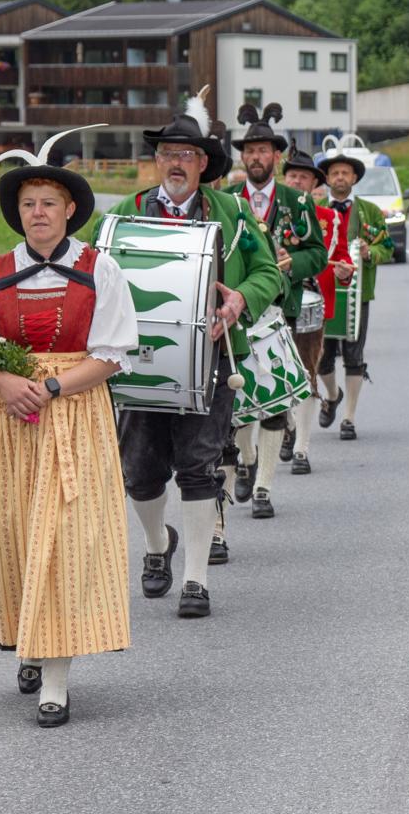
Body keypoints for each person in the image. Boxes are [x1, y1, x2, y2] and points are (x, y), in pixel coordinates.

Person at [0, 149, 139, 727]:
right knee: (1, 523)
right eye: (28, 204)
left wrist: (53, 386)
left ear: (69, 212)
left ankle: (55, 681)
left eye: (49, 204)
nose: (38, 213)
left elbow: (112, 356)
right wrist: (5, 380)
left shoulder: (98, 270)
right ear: (18, 212)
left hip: (73, 414)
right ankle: (24, 639)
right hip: (7, 422)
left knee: (62, 538)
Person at [94, 104, 283, 618]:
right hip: (141, 361)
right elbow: (92, 277)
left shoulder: (234, 213)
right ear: (156, 161)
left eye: (186, 155)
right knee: (138, 472)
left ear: (204, 164)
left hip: (214, 356)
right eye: (166, 154)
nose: (174, 163)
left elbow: (269, 274)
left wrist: (239, 299)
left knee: (199, 468)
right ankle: (159, 545)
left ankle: (196, 581)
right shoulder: (122, 215)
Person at [222, 104, 327, 515]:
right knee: (236, 400)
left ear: (276, 157)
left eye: (264, 151)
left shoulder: (297, 202)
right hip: (236, 312)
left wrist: (291, 264)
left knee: (277, 396)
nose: (256, 158)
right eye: (249, 151)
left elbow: (317, 253)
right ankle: (246, 461)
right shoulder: (227, 200)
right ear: (242, 157)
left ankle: (263, 486)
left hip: (281, 312)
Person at [314, 144, 397, 441]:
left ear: (354, 178)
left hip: (357, 295)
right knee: (321, 357)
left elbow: (387, 247)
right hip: (322, 293)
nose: (339, 177)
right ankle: (332, 394)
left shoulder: (370, 212)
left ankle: (349, 417)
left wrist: (368, 251)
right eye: (334, 172)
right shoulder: (315, 210)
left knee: (354, 353)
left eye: (344, 173)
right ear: (327, 178)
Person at [281, 153, 332, 474]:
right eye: (293, 176)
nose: (297, 181)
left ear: (314, 184)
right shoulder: (269, 207)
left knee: (306, 372)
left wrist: (293, 264)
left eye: (304, 177)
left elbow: (319, 256)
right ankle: (284, 426)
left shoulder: (319, 214)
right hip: (266, 303)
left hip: (305, 298)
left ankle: (301, 448)